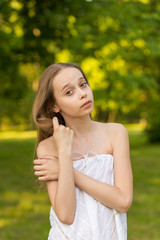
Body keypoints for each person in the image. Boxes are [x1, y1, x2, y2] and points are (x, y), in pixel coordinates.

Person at [32, 62, 133, 240]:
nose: (82, 94)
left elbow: (123, 201)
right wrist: (64, 152)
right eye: (69, 92)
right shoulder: (48, 148)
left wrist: (67, 171)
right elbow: (65, 215)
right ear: (54, 106)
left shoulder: (116, 133)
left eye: (83, 84)